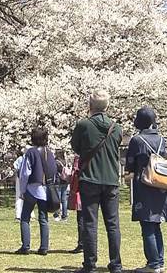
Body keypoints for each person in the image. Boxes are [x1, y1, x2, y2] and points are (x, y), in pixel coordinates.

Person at [71, 89, 123, 273]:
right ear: (107, 106)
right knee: (112, 223)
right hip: (111, 180)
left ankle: (90, 264)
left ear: (90, 105)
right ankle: (116, 264)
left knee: (90, 222)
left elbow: (75, 147)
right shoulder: (116, 128)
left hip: (90, 179)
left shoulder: (83, 125)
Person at [126, 107, 167, 273]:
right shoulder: (162, 139)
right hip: (161, 185)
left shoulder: (137, 140)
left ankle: (153, 264)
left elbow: (130, 164)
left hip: (145, 185)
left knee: (147, 225)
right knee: (156, 225)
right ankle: (159, 262)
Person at [16, 127, 57, 256]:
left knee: (25, 218)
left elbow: (24, 173)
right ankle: (44, 247)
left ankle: (25, 246)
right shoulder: (49, 153)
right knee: (43, 218)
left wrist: (22, 190)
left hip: (32, 189)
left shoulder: (31, 152)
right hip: (45, 189)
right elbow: (54, 170)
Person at [68, 154, 84, 254]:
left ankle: (82, 243)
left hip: (80, 191)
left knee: (81, 219)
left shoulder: (79, 158)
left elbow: (75, 175)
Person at [13, 147, 34, 221]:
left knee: (19, 196)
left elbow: (15, 167)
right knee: (30, 196)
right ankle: (31, 214)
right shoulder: (32, 159)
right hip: (30, 179)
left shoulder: (20, 159)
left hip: (20, 179)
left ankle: (18, 215)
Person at [53, 149, 71, 222]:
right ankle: (64, 215)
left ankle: (57, 214)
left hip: (58, 182)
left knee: (57, 199)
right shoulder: (64, 162)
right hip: (65, 182)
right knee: (64, 200)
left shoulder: (56, 162)